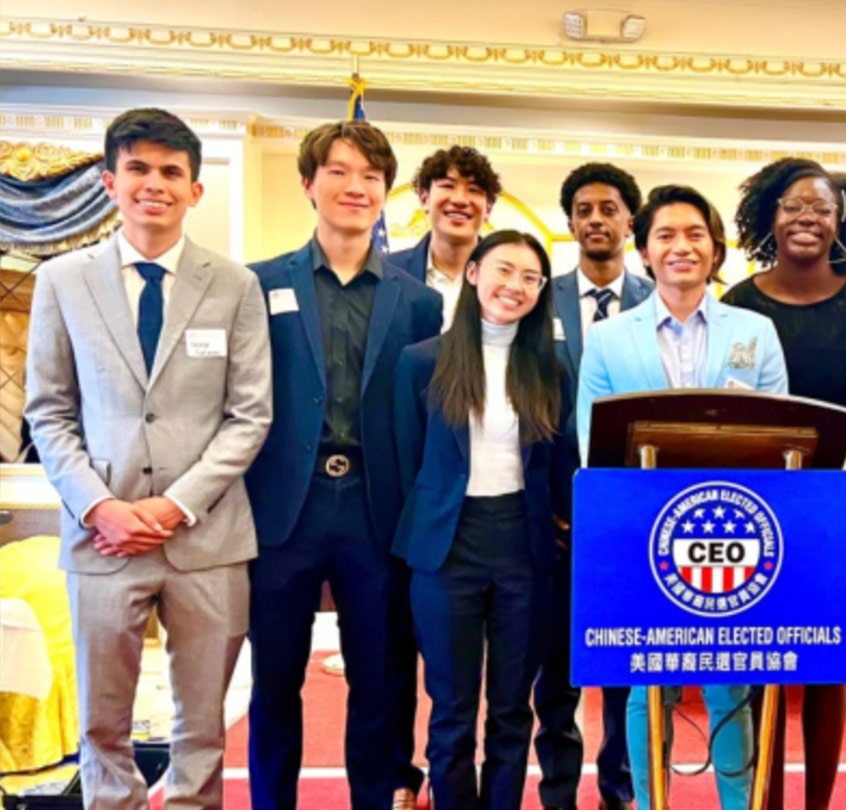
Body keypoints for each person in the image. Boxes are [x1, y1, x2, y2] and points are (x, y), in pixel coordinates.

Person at [24, 107, 273, 809]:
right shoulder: (63, 282)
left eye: (171, 171)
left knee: (203, 726)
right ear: (109, 181)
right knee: (103, 723)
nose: (154, 184)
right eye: (138, 168)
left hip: (209, 539)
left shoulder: (235, 287)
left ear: (196, 190)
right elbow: (49, 410)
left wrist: (175, 505)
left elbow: (249, 415)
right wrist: (101, 506)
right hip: (101, 540)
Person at [245, 120, 444, 810]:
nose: (354, 187)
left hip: (375, 510)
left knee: (380, 681)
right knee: (274, 681)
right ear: (309, 184)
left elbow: (425, 414)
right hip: (283, 513)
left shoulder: (419, 301)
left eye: (370, 176)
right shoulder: (258, 284)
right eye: (338, 171)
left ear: (387, 193)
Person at [578, 184, 788, 810]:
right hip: (644, 539)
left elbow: (781, 437)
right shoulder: (611, 338)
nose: (681, 246)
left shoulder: (756, 330)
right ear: (644, 252)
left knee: (731, 682)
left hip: (735, 539)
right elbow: (594, 442)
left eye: (695, 234)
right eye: (666, 235)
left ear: (715, 249)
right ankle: (649, 803)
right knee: (650, 684)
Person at [722, 156, 846, 810]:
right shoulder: (738, 302)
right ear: (770, 214)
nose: (807, 219)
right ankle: (762, 801)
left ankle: (815, 804)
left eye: (821, 208)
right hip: (752, 510)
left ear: (841, 220)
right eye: (794, 205)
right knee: (761, 670)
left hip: (832, 510)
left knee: (823, 669)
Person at [393, 230, 572, 810]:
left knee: (513, 707)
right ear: (472, 274)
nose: (514, 286)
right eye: (503, 270)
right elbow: (404, 460)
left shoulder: (549, 367)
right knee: (451, 710)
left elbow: (558, 461)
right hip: (447, 549)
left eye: (530, 278)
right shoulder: (422, 362)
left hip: (524, 547)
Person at [535, 162, 652, 810]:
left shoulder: (657, 299)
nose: (596, 219)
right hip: (552, 516)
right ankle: (557, 795)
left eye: (609, 208)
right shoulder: (536, 297)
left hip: (633, 517)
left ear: (629, 222)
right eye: (584, 209)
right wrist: (552, 503)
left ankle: (621, 789)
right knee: (557, 673)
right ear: (570, 221)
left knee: (625, 669)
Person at [390, 145, 501, 331]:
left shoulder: (506, 279)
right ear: (424, 199)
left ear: (488, 208)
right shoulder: (388, 272)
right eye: (448, 186)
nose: (460, 200)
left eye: (473, 190)